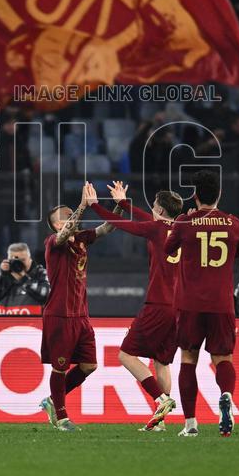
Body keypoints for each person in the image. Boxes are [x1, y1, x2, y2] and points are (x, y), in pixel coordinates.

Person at [87, 181, 181, 432]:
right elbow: (144, 217)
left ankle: (161, 399)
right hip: (180, 307)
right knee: (162, 361)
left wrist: (95, 205)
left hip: (158, 304)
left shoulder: (155, 228)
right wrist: (123, 202)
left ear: (160, 210)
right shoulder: (181, 228)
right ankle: (160, 422)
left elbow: (123, 224)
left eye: (154, 207)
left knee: (126, 354)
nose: (151, 210)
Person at [164, 169, 239, 437]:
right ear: (219, 194)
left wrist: (183, 220)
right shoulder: (234, 223)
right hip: (221, 302)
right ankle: (226, 396)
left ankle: (190, 424)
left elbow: (167, 249)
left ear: (195, 195)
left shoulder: (185, 224)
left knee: (188, 358)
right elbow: (238, 252)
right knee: (223, 357)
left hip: (190, 304)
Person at [39, 182, 121, 432]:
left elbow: (108, 227)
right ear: (55, 225)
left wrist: (119, 204)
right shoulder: (54, 242)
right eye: (63, 217)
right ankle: (61, 417)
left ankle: (53, 401)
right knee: (60, 368)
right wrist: (83, 206)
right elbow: (65, 234)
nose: (69, 218)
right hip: (60, 314)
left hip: (81, 315)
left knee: (89, 366)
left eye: (70, 214)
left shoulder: (83, 239)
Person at [0, 242, 49, 315]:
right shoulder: (3, 275)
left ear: (30, 259)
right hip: (4, 324)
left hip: (32, 324)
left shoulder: (40, 273)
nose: (19, 263)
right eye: (14, 260)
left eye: (22, 260)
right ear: (8, 260)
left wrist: (24, 279)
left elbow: (46, 294)